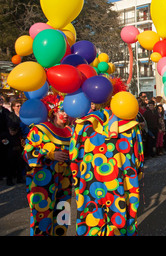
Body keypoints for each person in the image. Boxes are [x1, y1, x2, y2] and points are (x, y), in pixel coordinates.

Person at [69, 79, 145, 236]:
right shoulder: (132, 126)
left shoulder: (82, 125)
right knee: (122, 221)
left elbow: (74, 157)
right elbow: (139, 159)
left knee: (92, 222)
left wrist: (78, 182)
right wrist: (136, 179)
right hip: (122, 182)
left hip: (91, 183)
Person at [23, 93, 72, 236]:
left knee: (63, 214)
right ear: (53, 112)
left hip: (65, 180)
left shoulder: (71, 131)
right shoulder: (40, 129)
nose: (66, 114)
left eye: (68, 111)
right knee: (42, 215)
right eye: (62, 111)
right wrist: (49, 154)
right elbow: (28, 152)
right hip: (42, 180)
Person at [0, 95, 11, 181]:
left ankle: (7, 174)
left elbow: (9, 123)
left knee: (7, 157)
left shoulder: (6, 111)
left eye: (1, 100)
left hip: (7, 136)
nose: (1, 101)